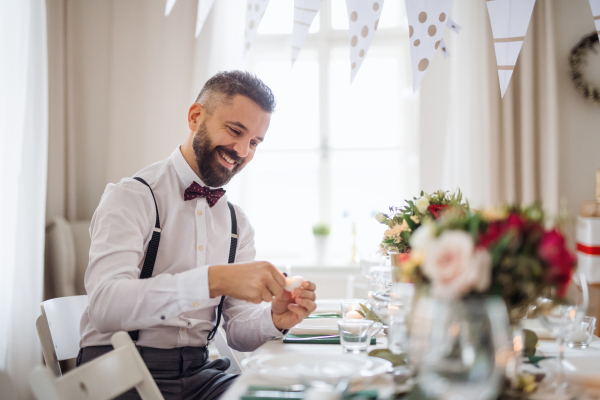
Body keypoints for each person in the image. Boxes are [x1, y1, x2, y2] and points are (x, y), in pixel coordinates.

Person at [77, 71, 317, 400]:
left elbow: (237, 330)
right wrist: (212, 280)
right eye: (235, 131)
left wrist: (274, 319)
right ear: (195, 117)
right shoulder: (131, 197)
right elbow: (105, 306)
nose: (243, 151)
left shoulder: (238, 224)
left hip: (200, 374)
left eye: (255, 143)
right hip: (119, 376)